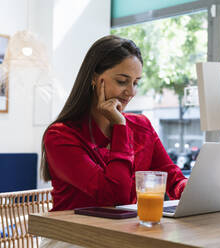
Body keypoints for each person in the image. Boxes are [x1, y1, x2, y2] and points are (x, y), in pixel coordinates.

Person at [40, 35, 188, 212]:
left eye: (135, 82)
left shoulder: (142, 127)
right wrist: (120, 126)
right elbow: (115, 196)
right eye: (122, 81)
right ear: (94, 78)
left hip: (124, 232)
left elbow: (172, 177)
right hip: (73, 236)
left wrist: (190, 190)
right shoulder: (60, 136)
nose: (131, 91)